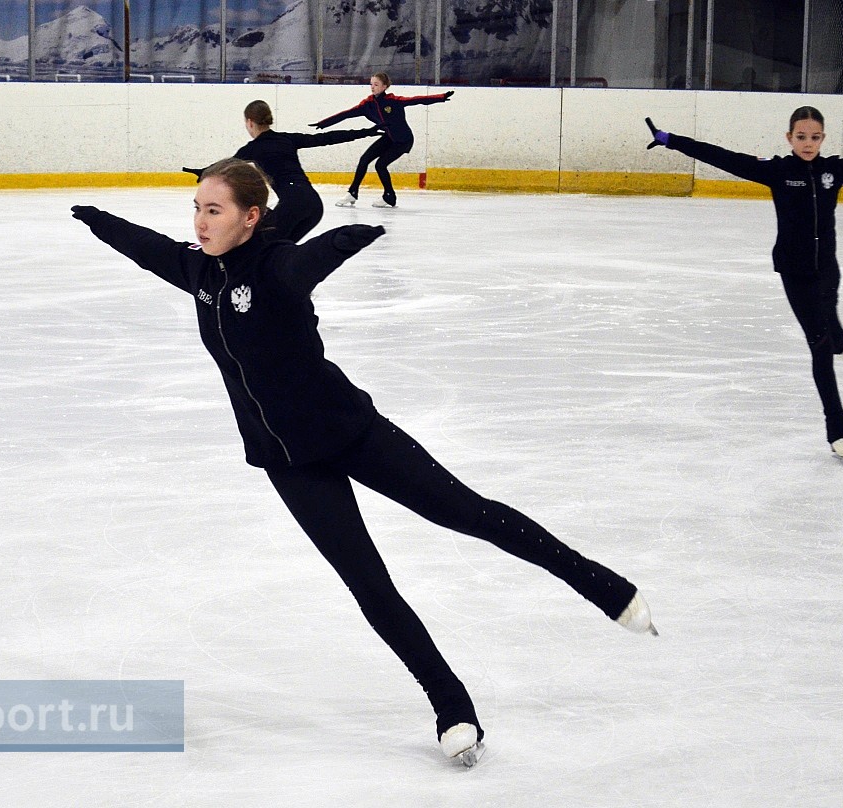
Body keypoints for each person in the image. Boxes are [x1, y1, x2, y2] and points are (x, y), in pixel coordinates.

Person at [70, 158, 657, 768]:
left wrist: (348, 238)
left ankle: (601, 585)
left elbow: (304, 265)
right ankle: (450, 702)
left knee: (467, 513)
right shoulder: (198, 271)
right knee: (368, 583)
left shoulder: (273, 266)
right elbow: (145, 248)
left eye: (212, 210)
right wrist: (96, 219)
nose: (199, 221)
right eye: (195, 207)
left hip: (349, 431)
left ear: (250, 217)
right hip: (288, 461)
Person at [645, 107, 843, 461]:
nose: (808, 144)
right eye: (801, 137)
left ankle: (840, 339)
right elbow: (721, 157)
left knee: (831, 321)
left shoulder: (834, 171)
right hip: (795, 272)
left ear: (823, 138)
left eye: (814, 137)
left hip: (828, 268)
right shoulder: (778, 171)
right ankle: (839, 430)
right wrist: (671, 140)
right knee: (820, 344)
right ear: (789, 138)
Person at [182, 100, 379, 242]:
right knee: (280, 248)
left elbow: (226, 167)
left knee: (261, 244)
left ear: (250, 122)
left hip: (293, 204)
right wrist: (365, 132)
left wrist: (203, 172)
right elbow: (325, 138)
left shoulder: (252, 148)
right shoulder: (287, 139)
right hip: (313, 204)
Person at [310, 73, 453, 209]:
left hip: (403, 140)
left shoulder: (393, 101)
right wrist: (323, 123)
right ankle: (352, 193)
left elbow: (417, 100)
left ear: (385, 86)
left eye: (376, 84)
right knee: (364, 159)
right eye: (371, 84)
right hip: (389, 137)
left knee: (380, 165)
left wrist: (441, 97)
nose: (372, 87)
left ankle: (389, 196)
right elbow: (346, 114)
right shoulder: (367, 105)